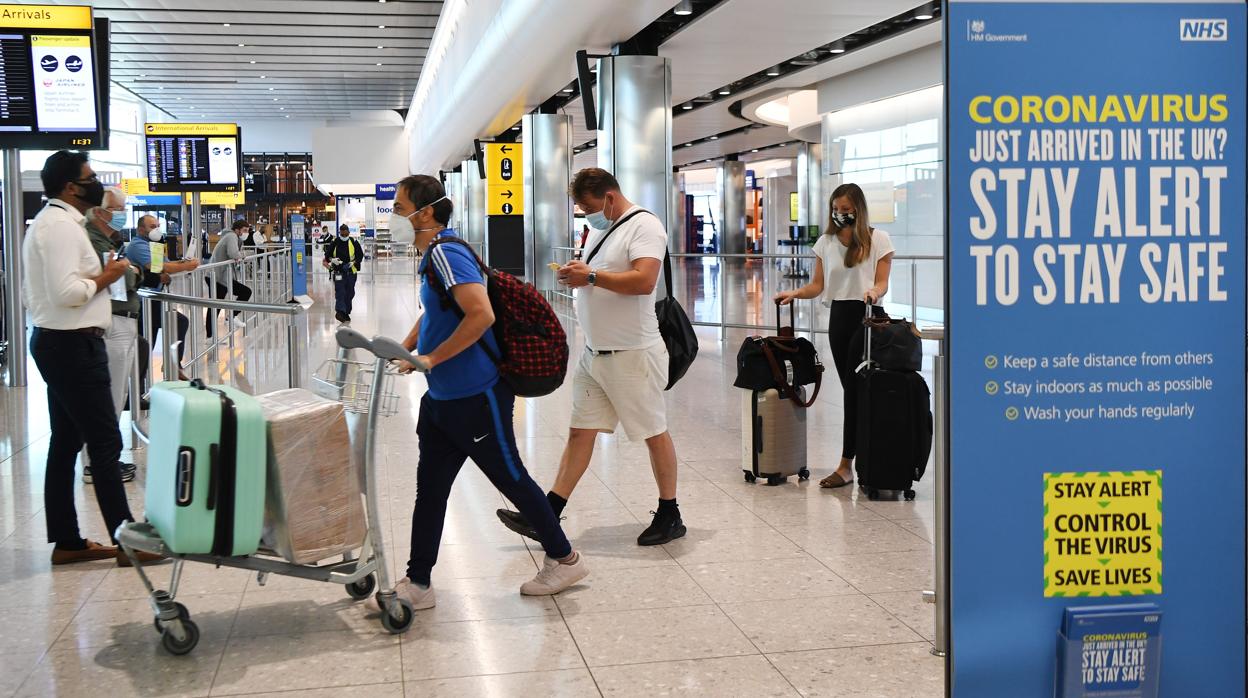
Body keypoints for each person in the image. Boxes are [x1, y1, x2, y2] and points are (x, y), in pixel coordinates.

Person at [390, 174, 588, 609]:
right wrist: (405, 349)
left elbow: (480, 315)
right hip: (442, 401)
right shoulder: (435, 257)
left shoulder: (446, 253)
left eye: (401, 208)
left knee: (511, 479)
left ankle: (565, 558)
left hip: (478, 398)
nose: (395, 216)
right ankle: (418, 583)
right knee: (431, 490)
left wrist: (432, 359)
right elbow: (436, 311)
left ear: (426, 213)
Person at [495, 168, 685, 547]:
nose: (585, 214)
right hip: (596, 352)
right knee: (580, 432)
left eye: (588, 206)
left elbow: (645, 281)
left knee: (652, 432)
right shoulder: (601, 227)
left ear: (610, 198)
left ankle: (670, 512)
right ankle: (548, 513)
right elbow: (595, 273)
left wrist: (592, 277)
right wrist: (579, 275)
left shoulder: (645, 226)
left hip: (633, 353)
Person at [22, 151, 160, 566]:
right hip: (72, 345)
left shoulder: (58, 224)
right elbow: (69, 293)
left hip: (59, 341)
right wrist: (110, 276)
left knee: (65, 442)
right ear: (70, 187)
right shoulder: (61, 228)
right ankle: (128, 540)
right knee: (103, 441)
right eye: (90, 177)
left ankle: (67, 541)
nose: (97, 184)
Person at [774, 182, 894, 488]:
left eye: (846, 210)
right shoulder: (826, 242)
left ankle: (852, 463)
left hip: (868, 317)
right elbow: (818, 285)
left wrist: (874, 291)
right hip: (840, 319)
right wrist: (796, 293)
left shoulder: (878, 239)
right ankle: (851, 464)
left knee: (862, 391)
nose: (840, 214)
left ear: (858, 210)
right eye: (835, 209)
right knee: (851, 390)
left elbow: (882, 283)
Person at [81, 187, 142, 484]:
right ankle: (97, 463)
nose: (122, 214)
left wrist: (129, 270)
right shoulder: (93, 239)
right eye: (119, 208)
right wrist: (130, 271)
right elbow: (125, 276)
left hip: (122, 320)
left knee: (117, 396)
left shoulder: (108, 239)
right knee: (108, 397)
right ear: (102, 212)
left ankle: (104, 458)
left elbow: (127, 272)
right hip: (113, 321)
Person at [129, 214, 198, 377]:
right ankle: (171, 365)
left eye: (158, 226)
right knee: (177, 322)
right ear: (140, 230)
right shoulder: (137, 245)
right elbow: (159, 266)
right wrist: (185, 267)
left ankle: (141, 388)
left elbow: (166, 264)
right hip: (143, 301)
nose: (157, 229)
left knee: (146, 344)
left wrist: (183, 263)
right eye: (152, 226)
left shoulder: (154, 244)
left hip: (153, 299)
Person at [204, 218, 253, 336]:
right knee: (215, 306)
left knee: (243, 293)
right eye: (244, 230)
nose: (246, 233)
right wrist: (243, 254)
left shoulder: (232, 237)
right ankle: (211, 335)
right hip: (216, 276)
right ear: (237, 230)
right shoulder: (231, 236)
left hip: (222, 277)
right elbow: (234, 254)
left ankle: (231, 316)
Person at [323, 223, 364, 323]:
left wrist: (353, 262)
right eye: (342, 235)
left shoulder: (354, 242)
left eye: (346, 235)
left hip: (351, 272)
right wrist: (333, 260)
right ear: (339, 233)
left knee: (350, 292)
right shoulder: (335, 242)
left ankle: (346, 312)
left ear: (349, 233)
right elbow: (327, 256)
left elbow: (360, 255)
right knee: (340, 292)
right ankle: (340, 312)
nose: (344, 237)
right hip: (338, 272)